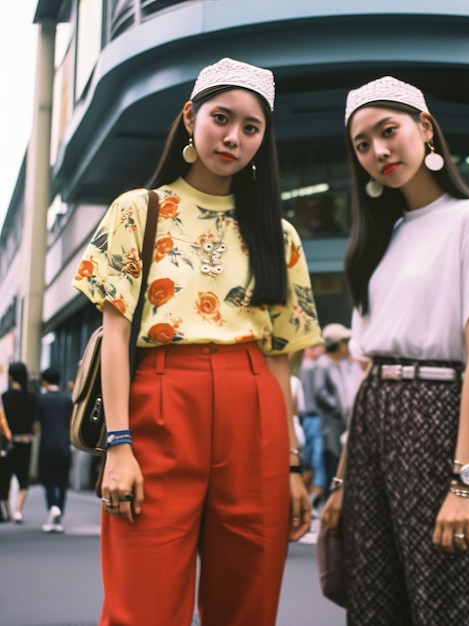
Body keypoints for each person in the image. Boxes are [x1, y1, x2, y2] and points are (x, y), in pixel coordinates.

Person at [71, 57, 322, 626]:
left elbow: (281, 359)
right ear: (190, 117)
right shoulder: (139, 210)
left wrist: (290, 465)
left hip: (255, 405)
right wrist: (118, 444)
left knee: (249, 603)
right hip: (160, 401)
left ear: (263, 139)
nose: (233, 137)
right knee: (143, 606)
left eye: (251, 128)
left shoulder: (278, 235)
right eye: (221, 118)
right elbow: (115, 334)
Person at [322, 76, 469, 625]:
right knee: (375, 600)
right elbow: (366, 373)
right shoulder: (381, 238)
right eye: (362, 144)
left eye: (389, 132)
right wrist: (339, 480)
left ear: (425, 128)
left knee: (450, 598)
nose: (378, 151)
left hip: (438, 416)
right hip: (373, 423)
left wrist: (465, 483)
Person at [314, 323, 355, 493]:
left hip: (340, 422)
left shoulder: (339, 365)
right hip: (331, 424)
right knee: (333, 462)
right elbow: (319, 392)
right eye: (345, 342)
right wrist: (339, 408)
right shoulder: (323, 364)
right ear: (338, 344)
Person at [34, 367, 74, 533]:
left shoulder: (41, 399)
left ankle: (53, 508)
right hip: (64, 445)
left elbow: (36, 426)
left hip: (47, 445)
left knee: (49, 480)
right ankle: (59, 516)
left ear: (44, 381)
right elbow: (72, 423)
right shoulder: (67, 398)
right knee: (62, 482)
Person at [0, 362, 37, 524]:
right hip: (25, 442)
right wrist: (30, 434)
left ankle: (7, 512)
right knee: (23, 477)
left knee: (4, 478)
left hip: (7, 445)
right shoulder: (32, 398)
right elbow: (35, 425)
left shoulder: (4, 397)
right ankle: (18, 511)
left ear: (10, 376)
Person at [298, 342, 327, 511]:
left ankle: (313, 494)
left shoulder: (310, 367)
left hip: (310, 418)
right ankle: (314, 495)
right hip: (312, 417)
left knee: (312, 458)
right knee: (315, 458)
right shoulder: (310, 367)